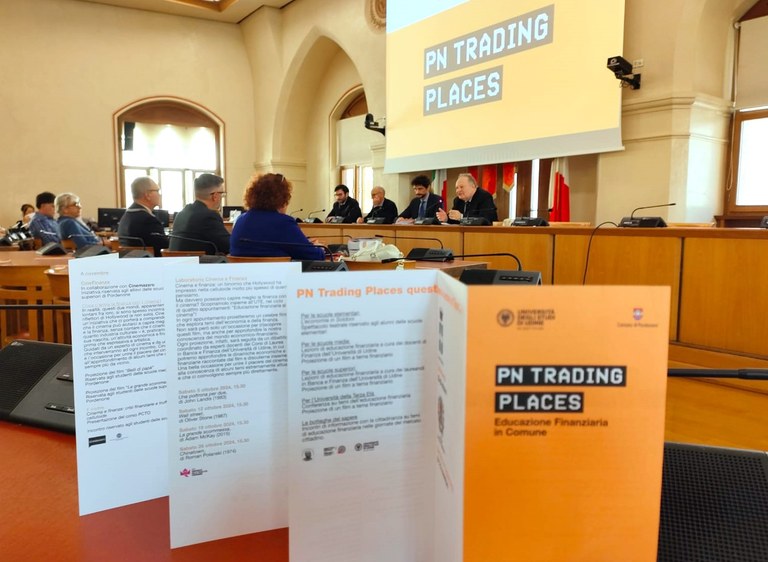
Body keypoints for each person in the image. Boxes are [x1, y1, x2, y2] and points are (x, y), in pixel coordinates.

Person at [230, 173, 326, 260]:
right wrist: (319, 248)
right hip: (275, 274)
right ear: (282, 199)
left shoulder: (240, 220)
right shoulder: (283, 223)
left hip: (242, 273)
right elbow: (313, 255)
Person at [169, 173, 230, 255]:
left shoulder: (182, 213)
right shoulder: (209, 217)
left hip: (178, 261)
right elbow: (229, 246)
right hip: (198, 262)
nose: (222, 197)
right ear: (215, 196)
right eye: (222, 194)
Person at [117, 177, 169, 256]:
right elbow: (165, 249)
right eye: (157, 191)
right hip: (150, 262)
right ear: (147, 195)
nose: (159, 195)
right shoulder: (148, 220)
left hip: (130, 262)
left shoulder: (126, 217)